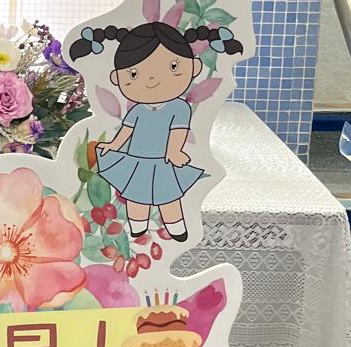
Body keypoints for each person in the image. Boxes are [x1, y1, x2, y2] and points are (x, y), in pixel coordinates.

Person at [71, 21, 243, 242]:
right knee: (136, 195)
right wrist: (113, 145)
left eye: (173, 67)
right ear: (117, 79)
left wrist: (174, 151)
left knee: (168, 196)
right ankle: (138, 226)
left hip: (163, 160)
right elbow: (127, 130)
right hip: (136, 159)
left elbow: (178, 131)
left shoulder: (179, 107)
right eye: (134, 74)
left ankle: (175, 226)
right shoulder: (137, 109)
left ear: (194, 68)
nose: (152, 79)